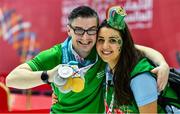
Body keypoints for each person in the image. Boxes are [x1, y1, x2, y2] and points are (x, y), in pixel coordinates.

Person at [6, 6, 169, 113]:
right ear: (69, 30)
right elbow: (12, 80)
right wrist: (49, 76)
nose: (85, 37)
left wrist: (162, 64)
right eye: (79, 30)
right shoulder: (57, 55)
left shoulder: (101, 50)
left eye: (91, 30)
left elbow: (134, 48)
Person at [95, 5, 176, 113]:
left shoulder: (140, 76)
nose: (105, 46)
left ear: (123, 43)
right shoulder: (106, 65)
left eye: (113, 40)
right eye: (101, 40)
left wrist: (163, 64)